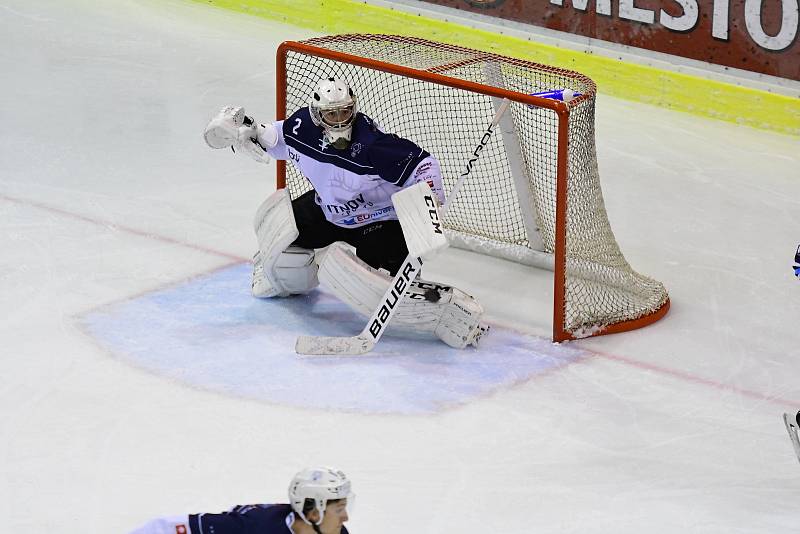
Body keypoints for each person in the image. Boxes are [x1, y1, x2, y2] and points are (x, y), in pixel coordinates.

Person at [203, 78, 488, 349]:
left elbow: (423, 165)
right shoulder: (303, 127)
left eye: (345, 112)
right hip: (329, 212)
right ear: (317, 115)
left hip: (378, 222)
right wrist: (249, 130)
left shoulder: (373, 145)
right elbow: (276, 137)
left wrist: (431, 197)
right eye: (332, 114)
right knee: (278, 231)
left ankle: (448, 316)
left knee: (389, 286)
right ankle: (287, 278)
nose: (340, 120)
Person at [129, 467, 352, 534]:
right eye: (339, 509)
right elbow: (165, 528)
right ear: (315, 513)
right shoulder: (251, 526)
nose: (346, 517)